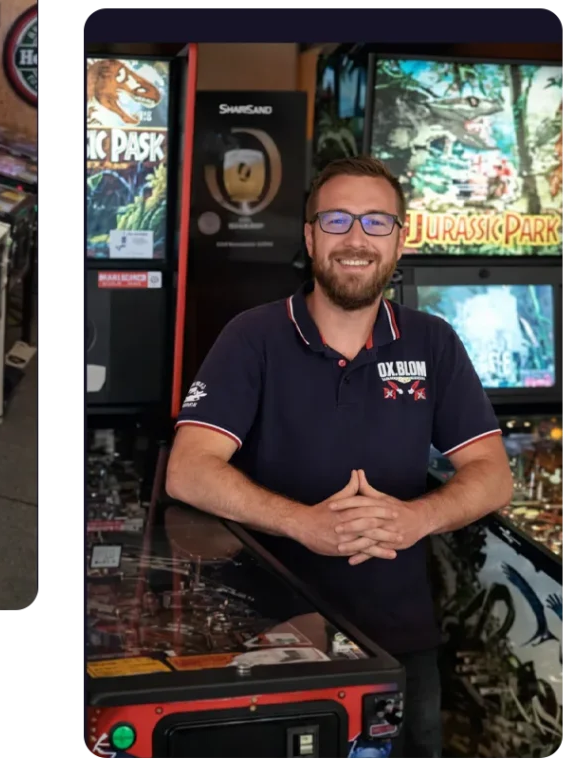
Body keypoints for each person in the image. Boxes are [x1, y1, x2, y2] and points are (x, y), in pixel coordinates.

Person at [166, 156, 513, 762]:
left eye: (377, 222)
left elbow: (492, 474)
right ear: (309, 236)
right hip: (272, 631)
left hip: (399, 635)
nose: (357, 239)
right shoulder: (253, 336)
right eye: (337, 220)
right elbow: (188, 469)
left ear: (402, 239)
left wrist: (415, 519)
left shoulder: (433, 341)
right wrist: (305, 523)